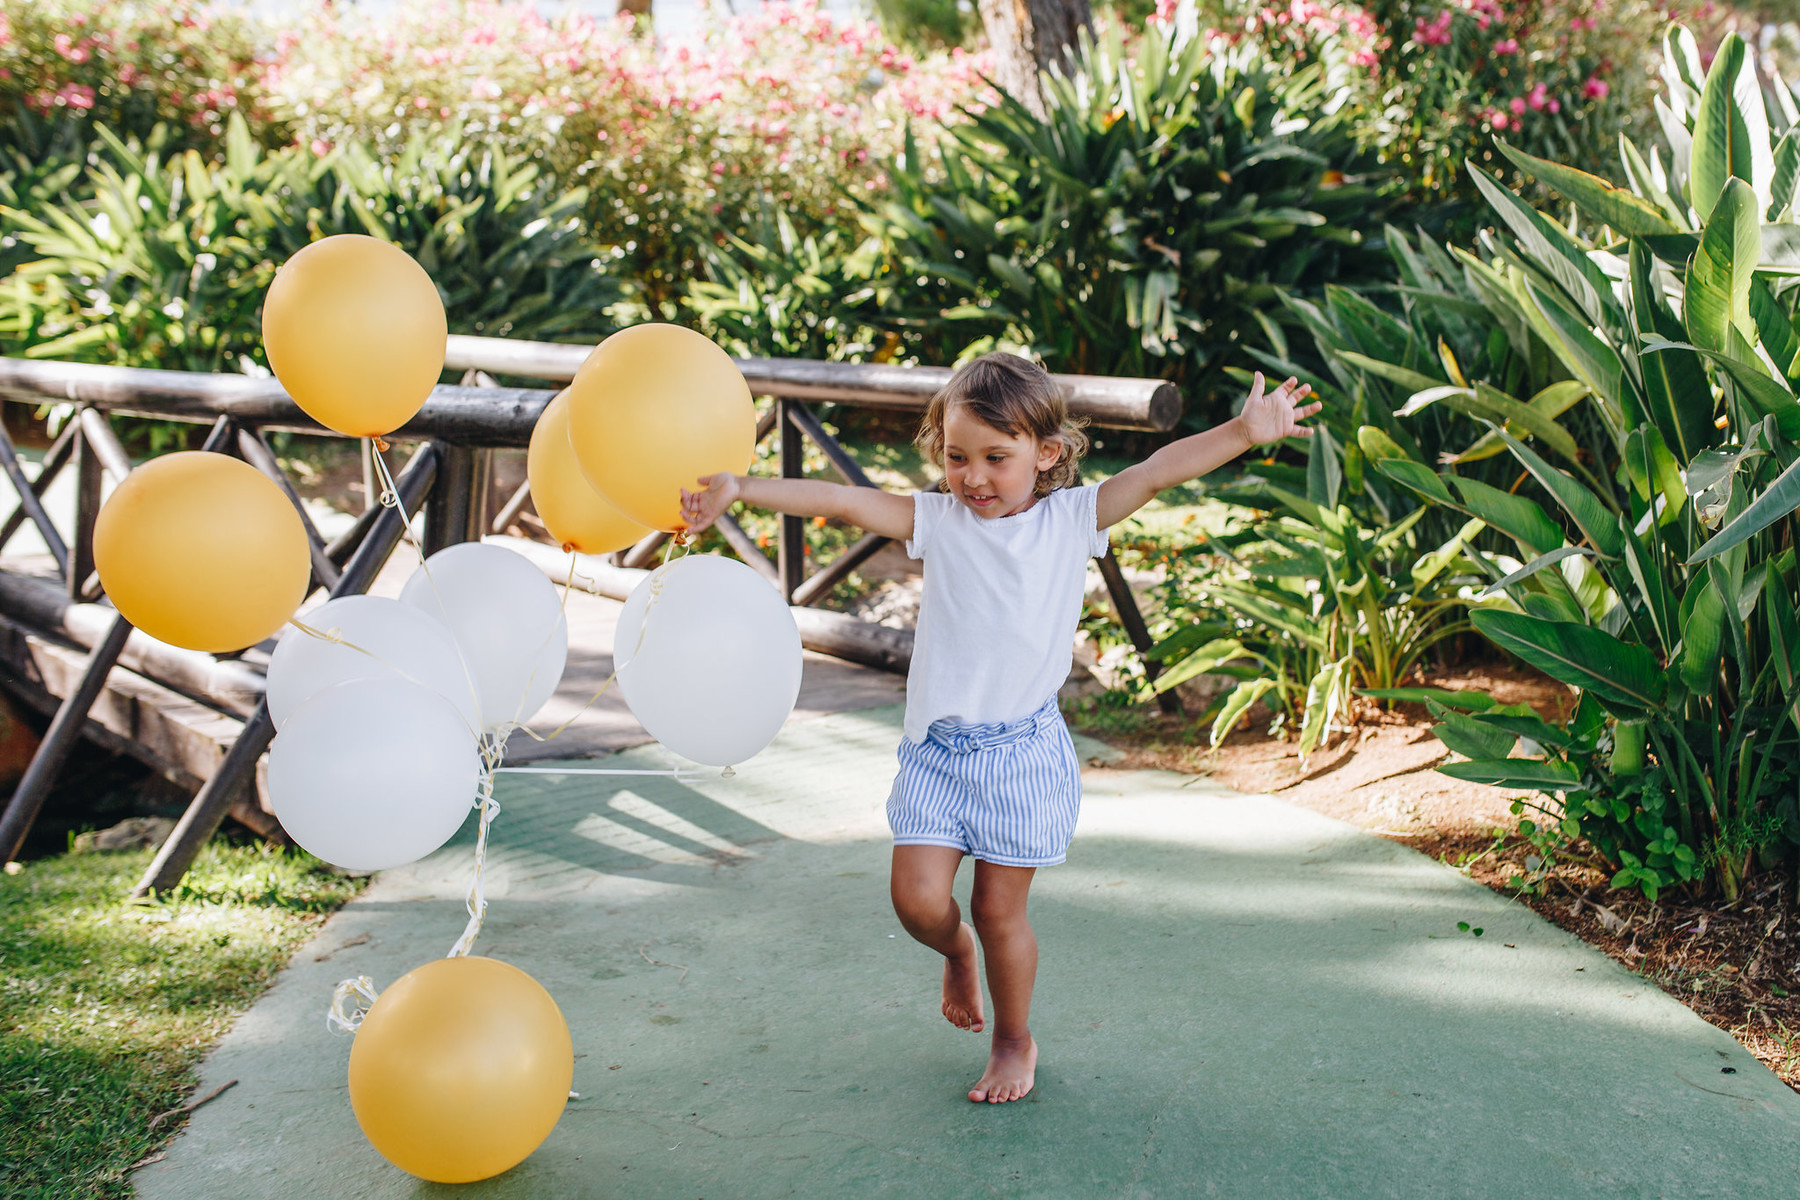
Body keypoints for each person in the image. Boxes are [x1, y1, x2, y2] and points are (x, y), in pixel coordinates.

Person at [679, 353, 1318, 1104]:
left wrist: (1244, 431)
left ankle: (1014, 1040)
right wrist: (740, 488)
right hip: (938, 755)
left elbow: (1154, 472)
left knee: (997, 909)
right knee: (918, 903)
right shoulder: (938, 520)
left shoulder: (1069, 519)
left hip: (1021, 753)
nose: (973, 476)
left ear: (1046, 454)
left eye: (995, 458)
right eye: (956, 457)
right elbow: (844, 500)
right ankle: (956, 954)